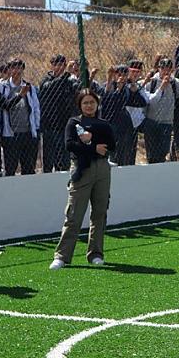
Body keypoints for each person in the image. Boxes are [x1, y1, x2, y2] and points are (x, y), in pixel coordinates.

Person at [50, 89, 116, 270]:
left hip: (102, 169)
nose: (89, 106)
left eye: (92, 102)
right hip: (81, 169)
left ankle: (96, 253)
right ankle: (62, 256)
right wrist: (93, 147)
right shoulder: (74, 122)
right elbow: (70, 145)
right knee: (74, 214)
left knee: (100, 212)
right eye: (85, 102)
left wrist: (91, 139)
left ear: (97, 104)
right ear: (80, 105)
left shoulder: (103, 123)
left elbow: (111, 144)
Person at [0, 58, 40, 176]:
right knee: (10, 169)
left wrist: (36, 128)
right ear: (9, 70)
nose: (17, 70)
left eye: (20, 67)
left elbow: (35, 108)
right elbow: (2, 107)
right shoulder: (3, 87)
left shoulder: (29, 88)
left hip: (27, 132)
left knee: (28, 169)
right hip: (10, 134)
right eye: (14, 67)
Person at [99, 65, 147, 166]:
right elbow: (108, 103)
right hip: (110, 125)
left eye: (125, 74)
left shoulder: (127, 88)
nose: (122, 77)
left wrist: (135, 91)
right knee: (112, 156)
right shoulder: (108, 86)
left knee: (126, 155)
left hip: (124, 126)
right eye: (119, 74)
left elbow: (141, 103)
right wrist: (118, 89)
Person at [142, 58, 179, 164]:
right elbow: (148, 100)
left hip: (167, 122)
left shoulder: (175, 83)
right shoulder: (152, 82)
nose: (165, 72)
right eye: (163, 69)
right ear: (159, 69)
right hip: (151, 121)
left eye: (168, 69)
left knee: (163, 151)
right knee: (151, 153)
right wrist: (161, 87)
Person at [39, 54, 76, 173]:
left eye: (63, 65)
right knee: (49, 161)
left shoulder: (69, 81)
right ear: (52, 66)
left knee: (64, 161)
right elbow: (51, 87)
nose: (60, 67)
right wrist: (66, 75)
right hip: (49, 126)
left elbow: (78, 89)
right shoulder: (46, 80)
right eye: (57, 64)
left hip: (64, 125)